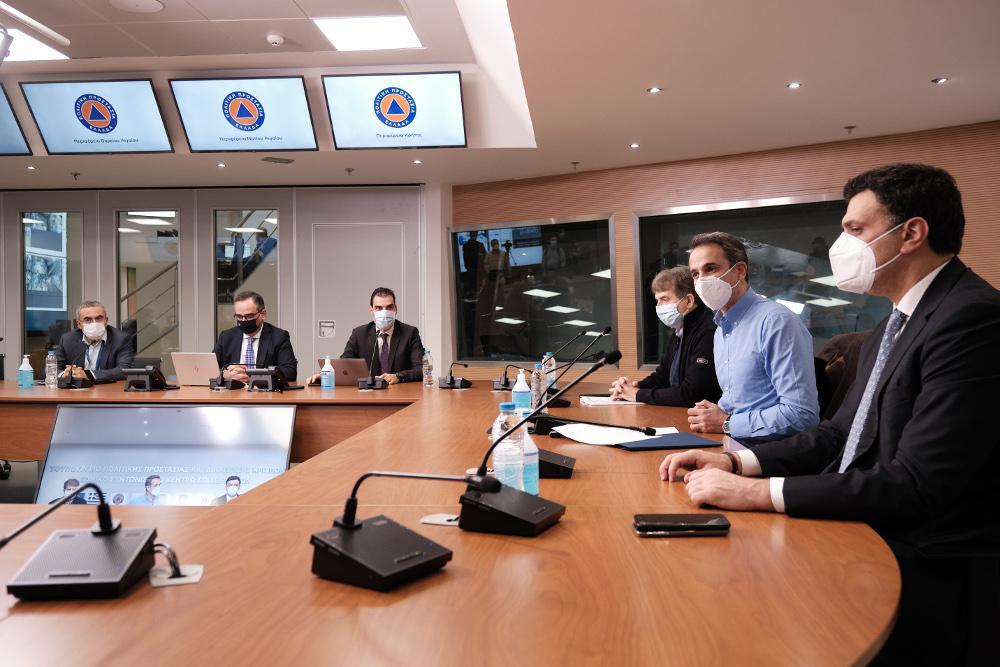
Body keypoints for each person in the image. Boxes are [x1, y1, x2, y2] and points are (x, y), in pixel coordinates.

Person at [660, 164, 1000, 664]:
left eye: (855, 230)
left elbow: (918, 483)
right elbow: (837, 434)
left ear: (911, 233)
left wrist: (757, 493)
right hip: (866, 525)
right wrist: (736, 463)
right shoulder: (895, 323)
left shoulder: (971, 318)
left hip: (925, 562)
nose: (840, 247)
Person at [686, 232, 818, 441]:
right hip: (732, 440)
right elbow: (741, 403)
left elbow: (802, 415)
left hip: (766, 451)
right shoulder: (721, 328)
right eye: (695, 274)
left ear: (740, 270)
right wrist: (714, 412)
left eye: (710, 269)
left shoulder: (776, 321)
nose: (702, 280)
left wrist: (726, 423)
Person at [609, 267, 721, 406]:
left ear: (688, 301)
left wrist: (637, 394)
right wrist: (633, 386)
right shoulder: (680, 329)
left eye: (664, 299)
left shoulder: (709, 330)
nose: (658, 306)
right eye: (657, 300)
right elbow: (663, 376)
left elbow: (691, 394)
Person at [309, 287, 424, 385]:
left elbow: (421, 369)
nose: (384, 312)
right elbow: (344, 364)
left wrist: (398, 376)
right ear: (371, 311)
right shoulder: (359, 333)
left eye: (389, 307)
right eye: (378, 308)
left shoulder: (410, 333)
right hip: (369, 392)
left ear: (395, 309)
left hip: (399, 392)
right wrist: (325, 375)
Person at [214, 291, 298, 384]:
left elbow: (290, 372)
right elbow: (210, 369)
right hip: (233, 391)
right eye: (239, 316)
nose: (243, 320)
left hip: (262, 391)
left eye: (249, 316)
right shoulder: (226, 337)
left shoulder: (279, 337)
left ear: (263, 314)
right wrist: (225, 375)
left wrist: (254, 377)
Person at [55, 300, 135, 382]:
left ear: (106, 321)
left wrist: (88, 375)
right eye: (88, 319)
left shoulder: (121, 339)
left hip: (107, 388)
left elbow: (125, 370)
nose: (94, 323)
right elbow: (51, 367)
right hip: (78, 389)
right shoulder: (68, 339)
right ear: (79, 324)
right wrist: (64, 374)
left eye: (98, 318)